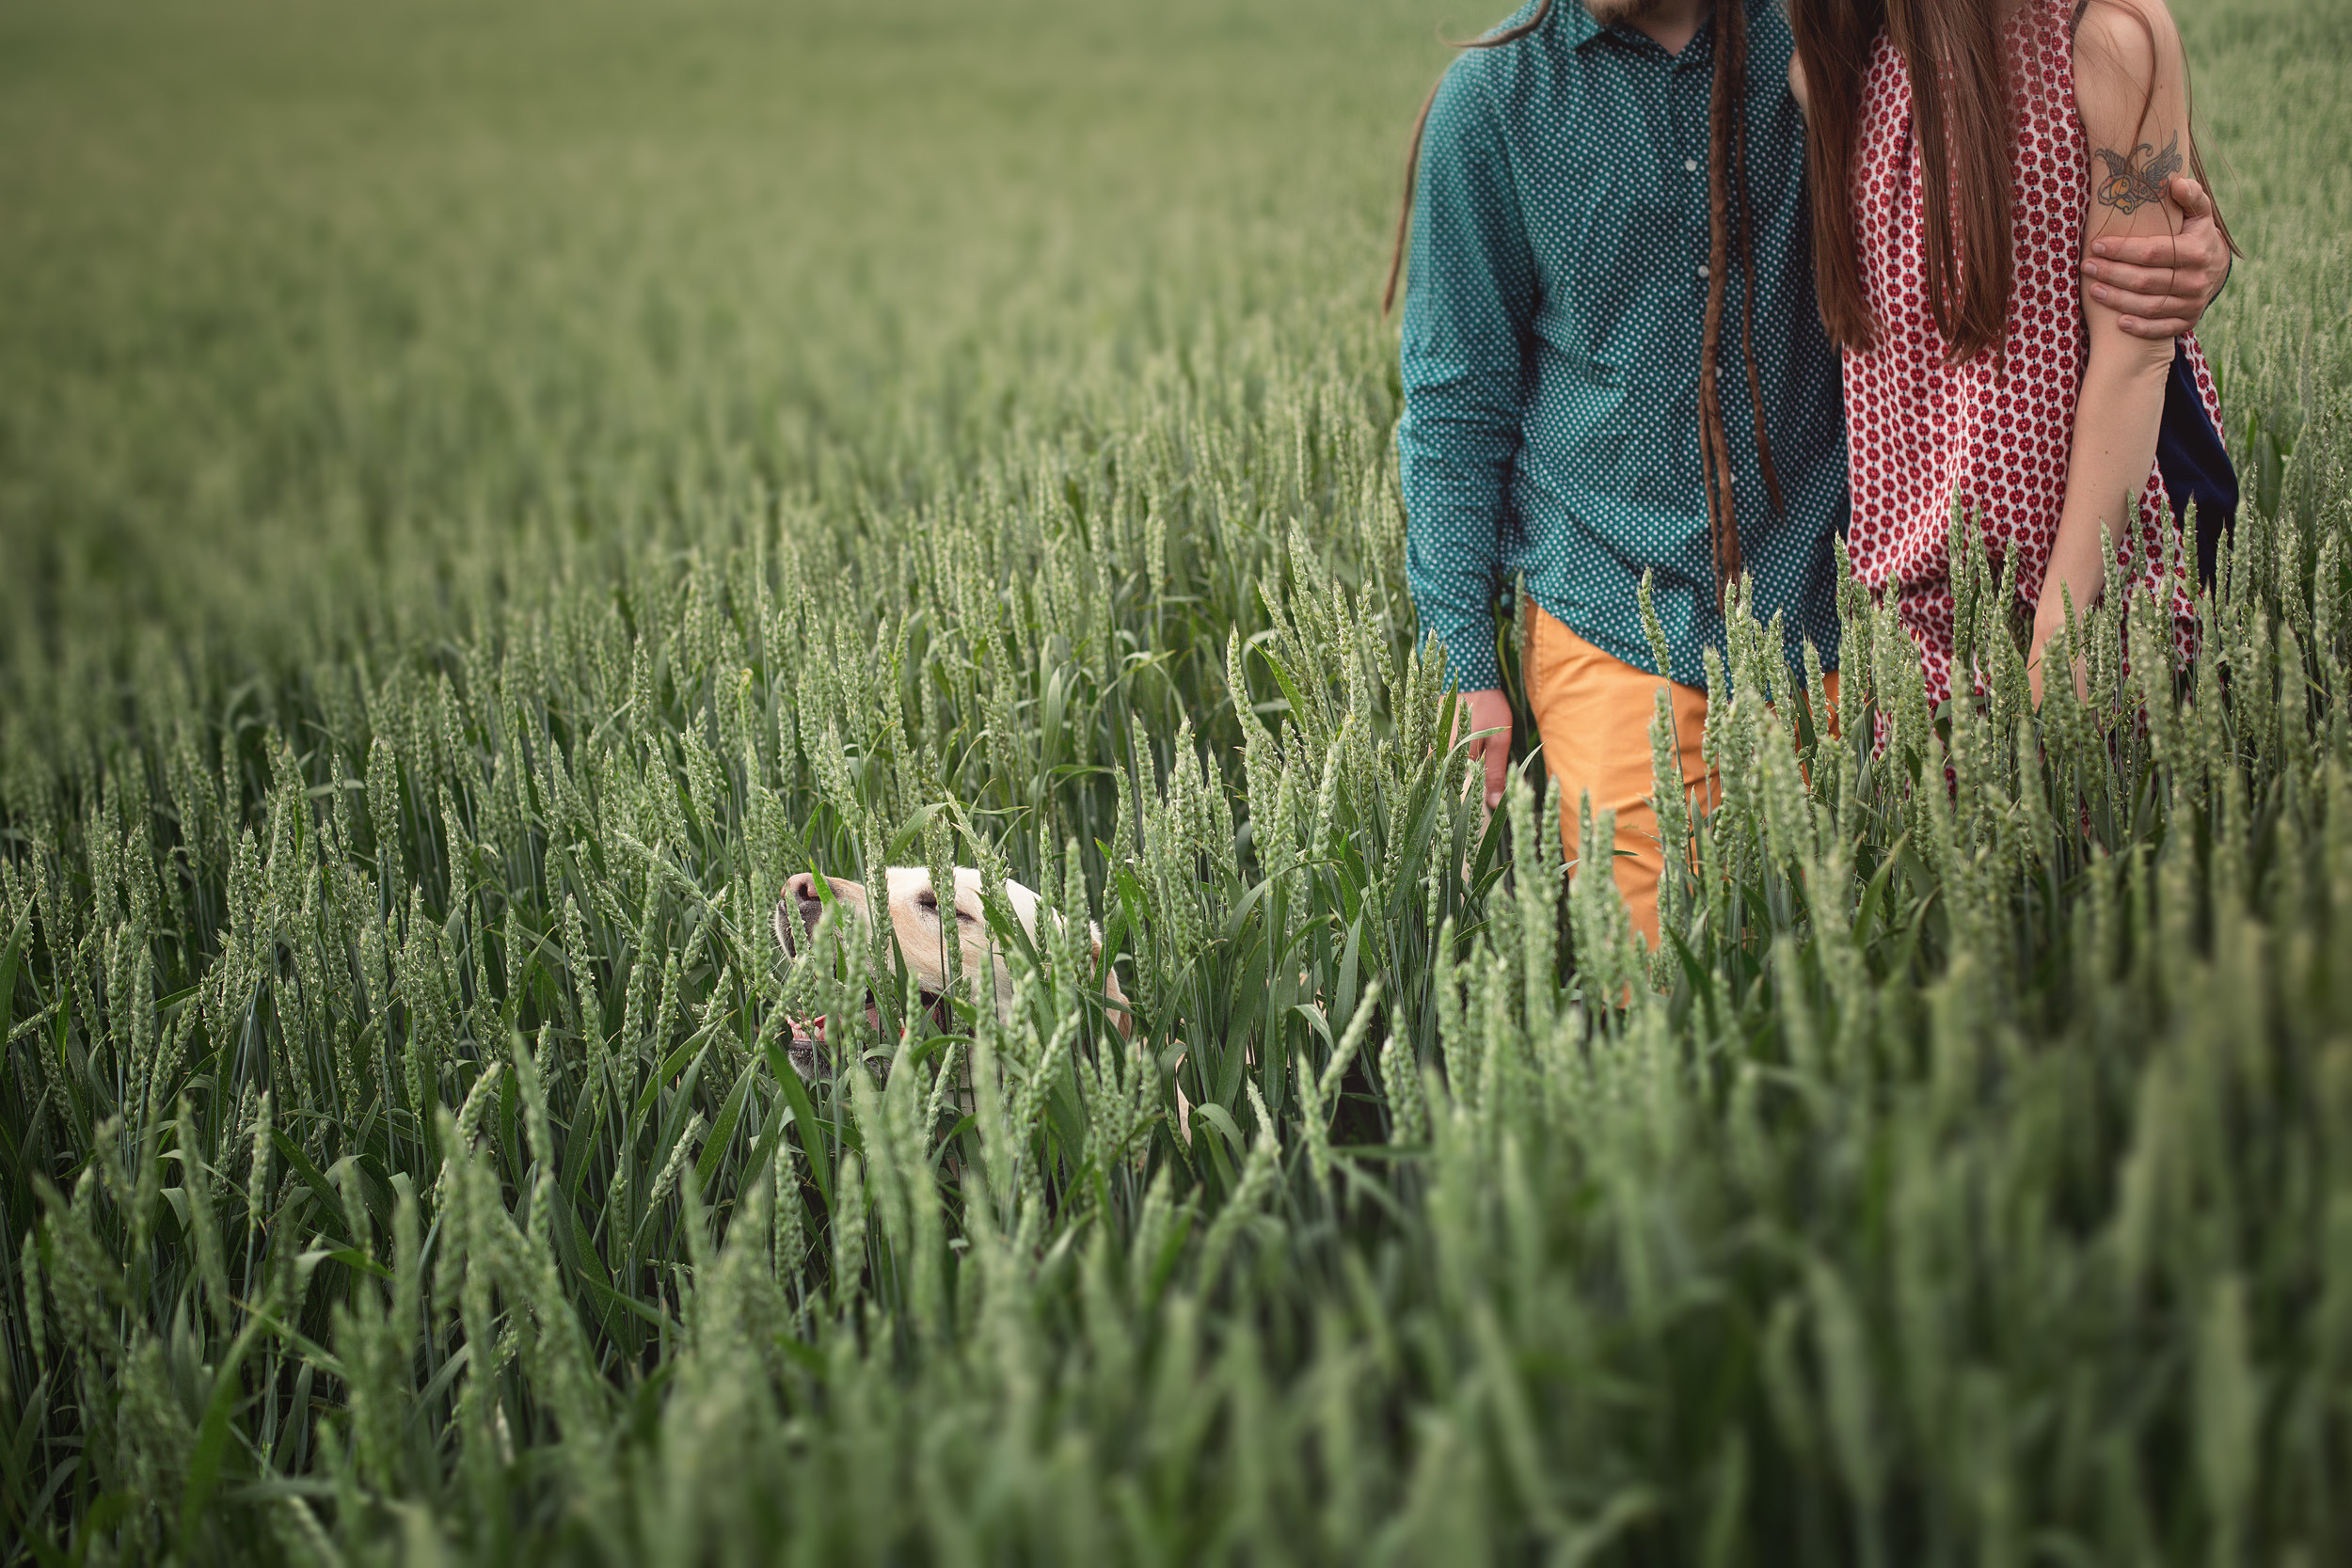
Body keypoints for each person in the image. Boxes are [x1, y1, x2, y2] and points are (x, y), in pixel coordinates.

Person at [1392, 0, 2229, 945]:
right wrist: (1466, 661)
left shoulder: (1818, 41)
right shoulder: (1496, 103)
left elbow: (2040, 218)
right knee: (1660, 991)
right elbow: (1456, 404)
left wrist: (2181, 265)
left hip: (1849, 620)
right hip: (1617, 621)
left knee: (1897, 977)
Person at [1788, 0, 2236, 706]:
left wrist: (2062, 628)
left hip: (2094, 591)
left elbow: (2136, 352)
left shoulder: (2108, 38)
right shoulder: (1837, 55)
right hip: (1912, 611)